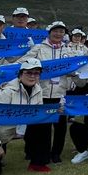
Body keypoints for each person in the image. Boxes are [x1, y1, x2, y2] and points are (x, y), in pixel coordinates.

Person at [0, 58, 45, 175]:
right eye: (28, 72)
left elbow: (37, 114)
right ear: (20, 75)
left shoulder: (38, 90)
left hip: (13, 131)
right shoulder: (7, 92)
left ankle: (37, 162)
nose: (32, 76)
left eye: (36, 73)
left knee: (41, 125)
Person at [24, 21, 74, 164]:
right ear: (49, 32)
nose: (58, 34)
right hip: (41, 93)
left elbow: (76, 68)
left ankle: (56, 153)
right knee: (40, 126)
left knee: (60, 126)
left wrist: (74, 72)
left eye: (61, 31)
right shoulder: (39, 48)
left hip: (60, 94)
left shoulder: (68, 50)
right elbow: (24, 62)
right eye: (55, 31)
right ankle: (38, 152)